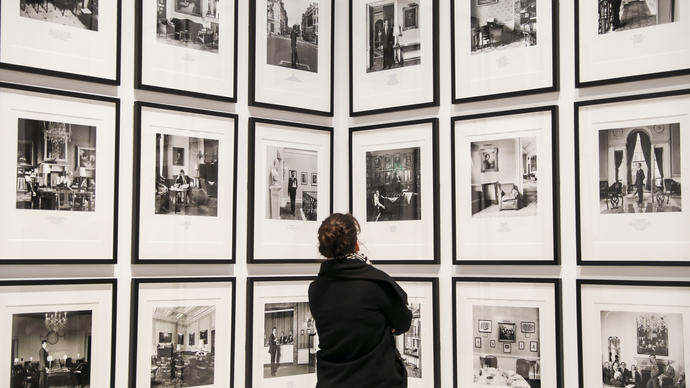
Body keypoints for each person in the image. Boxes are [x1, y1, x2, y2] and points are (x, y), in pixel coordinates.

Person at [309, 213, 412, 388]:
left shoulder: (316, 288)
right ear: (356, 243)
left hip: (332, 382)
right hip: (377, 381)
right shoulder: (375, 283)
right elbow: (403, 323)